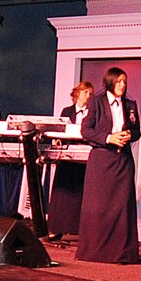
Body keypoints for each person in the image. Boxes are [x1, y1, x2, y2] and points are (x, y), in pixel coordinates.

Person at [77, 68, 141, 264]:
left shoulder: (130, 105)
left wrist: (130, 135)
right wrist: (109, 138)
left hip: (123, 162)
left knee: (122, 207)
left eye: (125, 81)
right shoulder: (96, 102)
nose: (123, 84)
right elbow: (86, 130)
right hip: (102, 162)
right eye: (120, 81)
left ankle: (121, 253)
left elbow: (137, 131)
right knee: (98, 207)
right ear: (110, 81)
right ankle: (95, 252)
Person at [47, 81, 95, 241]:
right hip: (67, 156)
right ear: (78, 93)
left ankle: (81, 230)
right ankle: (56, 228)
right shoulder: (67, 111)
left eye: (90, 93)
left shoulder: (92, 112)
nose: (89, 96)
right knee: (63, 192)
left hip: (85, 157)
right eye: (86, 92)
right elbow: (59, 131)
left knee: (82, 193)